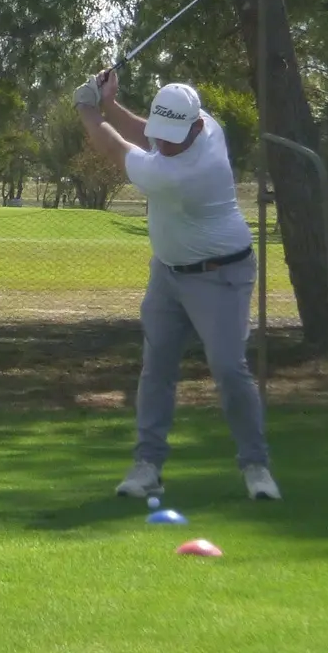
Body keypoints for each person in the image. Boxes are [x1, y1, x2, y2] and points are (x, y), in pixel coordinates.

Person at [75, 69, 280, 502]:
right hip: (168, 273)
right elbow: (148, 134)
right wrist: (109, 102)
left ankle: (256, 466)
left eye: (173, 138)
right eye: (162, 134)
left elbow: (113, 146)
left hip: (221, 276)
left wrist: (86, 107)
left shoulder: (183, 174)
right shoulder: (199, 128)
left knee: (229, 369)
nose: (164, 145)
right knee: (157, 368)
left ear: (198, 127)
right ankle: (147, 466)